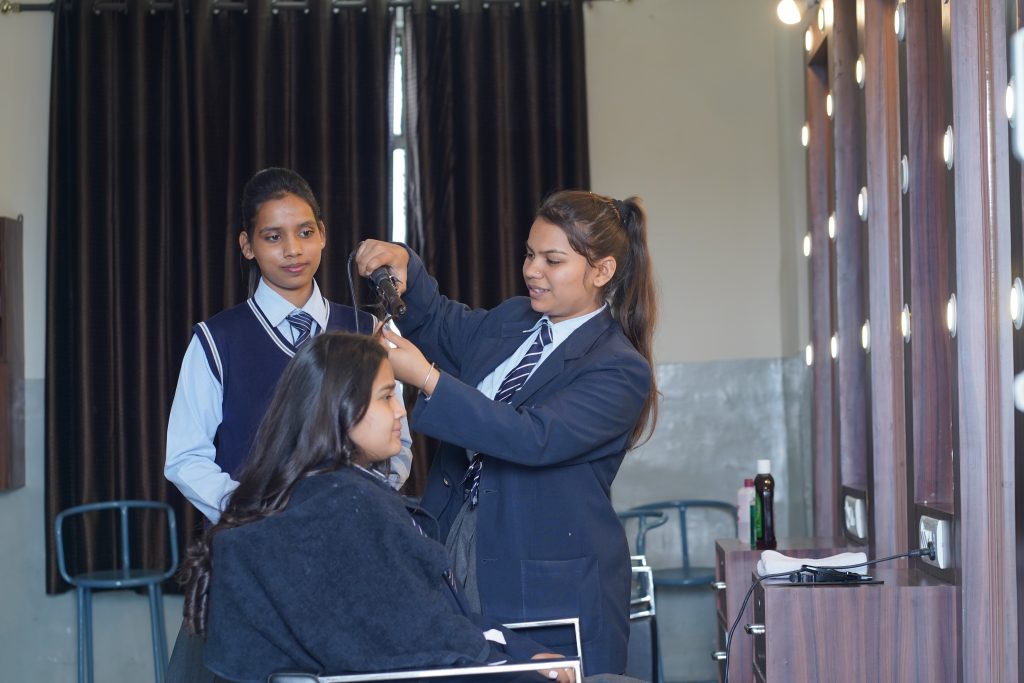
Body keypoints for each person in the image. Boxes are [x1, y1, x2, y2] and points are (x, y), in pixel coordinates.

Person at [354, 190, 658, 676]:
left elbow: (531, 436)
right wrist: (407, 265)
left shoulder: (619, 368)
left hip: (544, 573)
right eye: (529, 254)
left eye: (552, 260)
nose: (532, 270)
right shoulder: (515, 319)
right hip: (457, 537)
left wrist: (427, 378)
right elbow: (443, 323)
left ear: (602, 271)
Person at [178, 333, 578, 683]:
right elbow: (419, 648)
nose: (402, 411)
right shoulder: (347, 507)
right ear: (340, 408)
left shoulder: (317, 494)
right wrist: (518, 666)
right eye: (387, 396)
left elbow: (421, 631)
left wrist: (518, 654)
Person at [164, 167, 412, 523]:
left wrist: (362, 505)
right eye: (273, 237)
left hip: (351, 530)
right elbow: (186, 458)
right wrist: (256, 514)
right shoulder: (216, 341)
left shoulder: (366, 330)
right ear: (247, 246)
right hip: (255, 536)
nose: (293, 250)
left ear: (322, 234)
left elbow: (398, 442)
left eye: (305, 232)